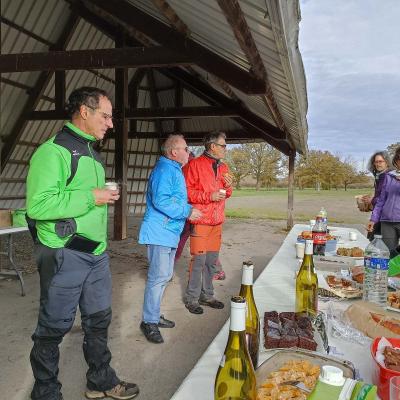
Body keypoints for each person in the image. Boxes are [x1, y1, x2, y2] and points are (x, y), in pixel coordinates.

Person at [26, 87, 139, 400]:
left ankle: (100, 381)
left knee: (99, 320)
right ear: (84, 112)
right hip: (66, 254)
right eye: (105, 115)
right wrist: (92, 197)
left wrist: (98, 197)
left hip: (97, 255)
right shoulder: (53, 151)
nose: (110, 123)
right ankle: (46, 393)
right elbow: (38, 206)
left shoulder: (91, 152)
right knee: (52, 329)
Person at [138, 134, 201, 343]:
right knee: (158, 277)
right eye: (185, 148)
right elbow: (161, 200)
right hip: (160, 232)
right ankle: (148, 321)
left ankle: (153, 316)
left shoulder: (173, 169)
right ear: (174, 152)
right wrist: (187, 211)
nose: (188, 152)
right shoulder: (166, 170)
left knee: (164, 276)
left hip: (168, 231)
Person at [183, 131, 233, 314]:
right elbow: (186, 193)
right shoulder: (193, 166)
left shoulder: (224, 167)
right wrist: (208, 196)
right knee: (198, 261)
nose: (226, 149)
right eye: (223, 145)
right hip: (201, 220)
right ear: (213, 146)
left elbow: (228, 193)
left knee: (211, 262)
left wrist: (228, 186)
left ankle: (208, 295)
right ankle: (192, 299)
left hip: (217, 222)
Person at [368, 147, 400, 258]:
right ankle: (388, 275)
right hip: (387, 222)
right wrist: (373, 219)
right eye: (398, 159)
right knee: (388, 255)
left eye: (380, 161)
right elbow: (381, 200)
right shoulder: (389, 176)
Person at [358, 151, 390, 240]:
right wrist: (371, 200)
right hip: (378, 215)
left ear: (387, 162)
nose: (378, 164)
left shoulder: (387, 176)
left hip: (385, 218)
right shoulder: (379, 175)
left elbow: (386, 199)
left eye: (380, 161)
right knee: (372, 241)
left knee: (376, 244)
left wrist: (371, 200)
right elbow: (379, 196)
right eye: (376, 162)